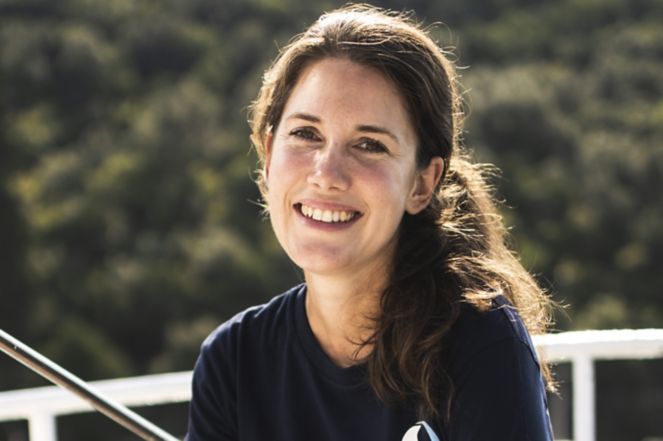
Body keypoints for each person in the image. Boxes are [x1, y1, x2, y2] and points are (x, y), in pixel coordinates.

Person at [186, 4, 555, 441]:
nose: (326, 174)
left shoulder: (480, 342)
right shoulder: (233, 361)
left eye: (369, 145)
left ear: (422, 183)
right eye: (306, 134)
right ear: (268, 157)